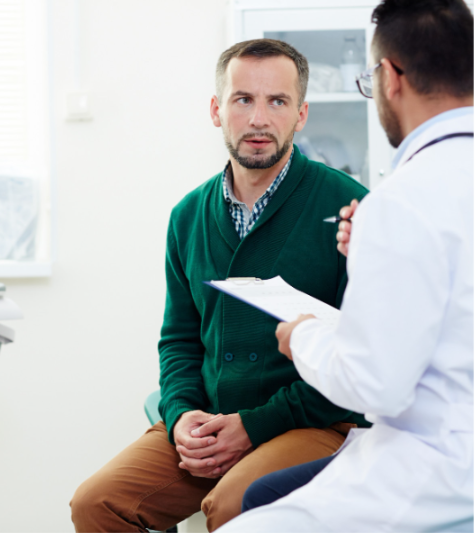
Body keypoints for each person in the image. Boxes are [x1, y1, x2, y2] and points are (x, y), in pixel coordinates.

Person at [70, 38, 370, 532]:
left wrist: (253, 426)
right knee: (96, 504)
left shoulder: (350, 208)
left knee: (234, 504)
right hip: (211, 421)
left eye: (278, 101)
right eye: (243, 99)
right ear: (216, 110)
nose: (259, 119)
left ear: (301, 114)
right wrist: (181, 414)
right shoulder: (188, 215)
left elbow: (363, 360)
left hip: (312, 421)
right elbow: (179, 340)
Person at [219, 0, 474, 531]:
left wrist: (303, 336)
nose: (259, 117)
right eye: (244, 99)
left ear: (390, 77)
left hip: (440, 471)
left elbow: (374, 384)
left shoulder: (398, 200)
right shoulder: (413, 201)